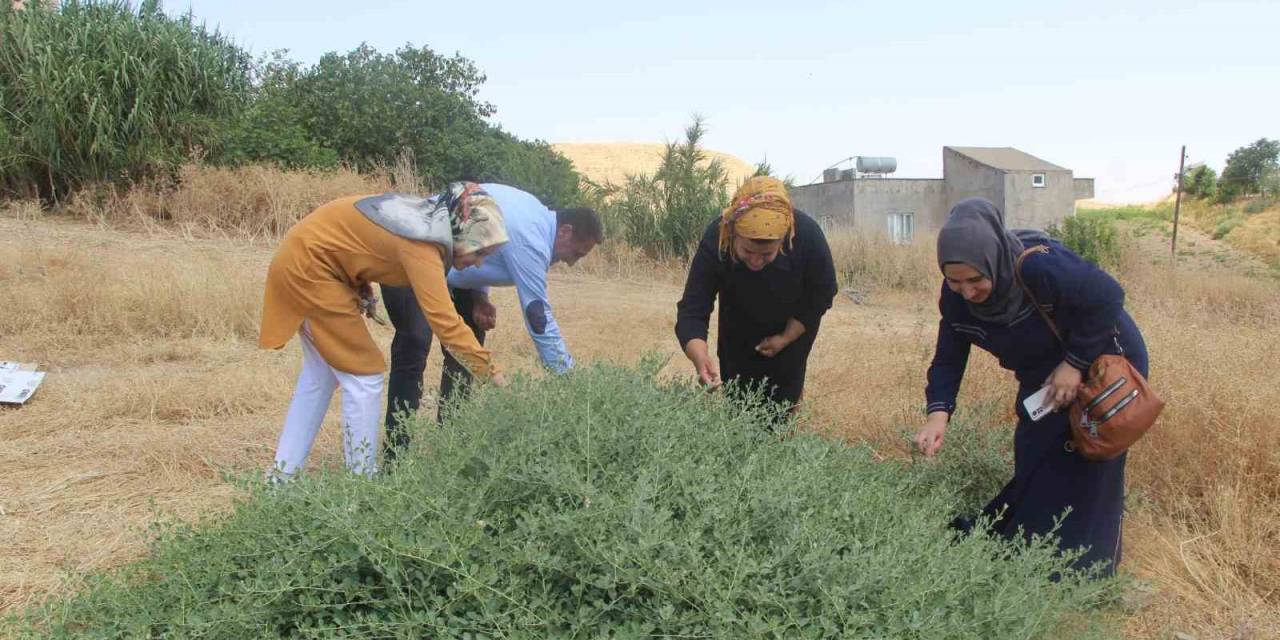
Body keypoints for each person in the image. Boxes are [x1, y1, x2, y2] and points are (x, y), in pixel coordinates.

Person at [913, 197, 1149, 577]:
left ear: (993, 258)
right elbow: (948, 357)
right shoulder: (956, 301)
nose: (967, 292)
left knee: (1092, 454)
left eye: (976, 280)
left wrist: (1073, 364)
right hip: (1043, 372)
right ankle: (1030, 550)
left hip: (1105, 359)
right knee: (1036, 451)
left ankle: (1087, 572)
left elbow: (1108, 296)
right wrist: (937, 415)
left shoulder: (1038, 265)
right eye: (954, 281)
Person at [259, 183, 509, 481]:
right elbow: (445, 322)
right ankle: (362, 488)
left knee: (321, 377)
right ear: (461, 228)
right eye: (479, 250)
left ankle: (281, 478)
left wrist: (359, 284)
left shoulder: (426, 227)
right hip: (309, 271)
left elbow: (356, 242)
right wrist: (491, 371)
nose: (479, 263)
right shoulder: (422, 244)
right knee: (365, 377)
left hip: (305, 264)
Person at [380, 184, 602, 459]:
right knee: (414, 347)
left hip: (453, 265)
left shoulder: (535, 216)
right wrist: (570, 381)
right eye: (576, 254)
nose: (571, 263)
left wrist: (479, 296)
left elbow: (481, 250)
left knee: (466, 354)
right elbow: (538, 317)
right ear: (566, 231)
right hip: (409, 254)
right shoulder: (532, 236)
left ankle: (450, 451)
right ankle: (395, 457)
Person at [675, 176, 838, 424]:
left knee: (782, 408)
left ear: (784, 241)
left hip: (793, 328)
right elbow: (693, 308)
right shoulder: (717, 238)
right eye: (748, 252)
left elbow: (821, 294)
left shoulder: (807, 235)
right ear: (732, 235)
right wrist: (700, 358)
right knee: (739, 407)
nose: (755, 261)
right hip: (737, 331)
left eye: (767, 254)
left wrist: (785, 337)